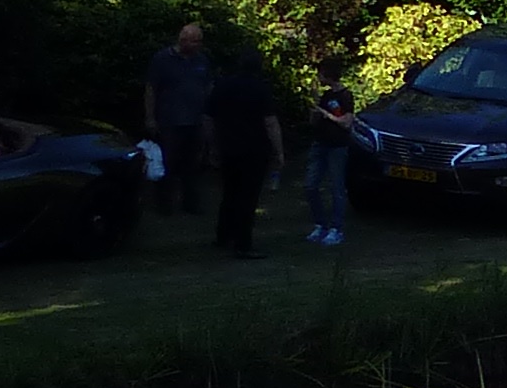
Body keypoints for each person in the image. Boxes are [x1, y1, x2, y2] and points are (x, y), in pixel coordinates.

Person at [204, 48, 286, 259]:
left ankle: (223, 235)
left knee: (229, 193)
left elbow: (209, 119)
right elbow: (270, 122)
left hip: (228, 146)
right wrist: (278, 151)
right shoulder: (261, 89)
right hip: (254, 149)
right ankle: (243, 243)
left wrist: (212, 146)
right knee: (248, 197)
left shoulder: (222, 85)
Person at [142, 22, 215, 215]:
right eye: (195, 41)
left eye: (199, 41)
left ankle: (191, 204)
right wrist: (150, 117)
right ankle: (164, 205)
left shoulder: (202, 60)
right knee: (168, 164)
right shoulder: (162, 59)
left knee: (193, 165)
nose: (198, 45)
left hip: (195, 121)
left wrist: (208, 115)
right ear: (183, 40)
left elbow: (208, 87)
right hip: (169, 122)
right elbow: (151, 89)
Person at [303, 78, 357, 247]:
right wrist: (314, 111)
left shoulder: (345, 95)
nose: (319, 77)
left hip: (337, 147)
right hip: (320, 144)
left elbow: (346, 123)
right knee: (310, 185)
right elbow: (313, 122)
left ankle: (336, 228)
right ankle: (320, 224)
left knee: (336, 187)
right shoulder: (326, 95)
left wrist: (327, 115)